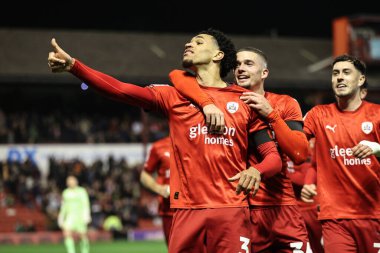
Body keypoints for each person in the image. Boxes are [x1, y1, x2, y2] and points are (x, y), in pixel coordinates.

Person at [48, 28, 282, 253]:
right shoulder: (172, 96)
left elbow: (273, 157)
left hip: (231, 211)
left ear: (218, 55)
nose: (189, 44)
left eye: (199, 42)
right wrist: (74, 66)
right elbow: (119, 89)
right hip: (186, 212)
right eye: (190, 41)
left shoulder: (244, 101)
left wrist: (257, 171)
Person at [169, 47, 310, 252]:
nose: (241, 69)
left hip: (282, 207)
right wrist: (206, 102)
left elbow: (299, 154)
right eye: (237, 65)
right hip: (241, 208)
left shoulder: (284, 103)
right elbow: (177, 75)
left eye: (248, 64)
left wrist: (271, 114)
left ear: (265, 73)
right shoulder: (222, 101)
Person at [300, 54, 380, 253]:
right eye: (335, 73)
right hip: (334, 217)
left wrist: (377, 149)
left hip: (374, 214)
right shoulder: (318, 114)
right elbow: (294, 143)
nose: (340, 78)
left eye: (346, 72)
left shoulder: (377, 114)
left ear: (361, 79)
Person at [287, 138, 324, 253]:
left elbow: (316, 167)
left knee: (319, 248)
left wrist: (308, 183)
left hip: (314, 205)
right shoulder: (282, 139)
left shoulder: (318, 139)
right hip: (290, 208)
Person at [140, 136, 173, 246]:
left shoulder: (198, 141)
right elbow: (145, 175)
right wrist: (159, 188)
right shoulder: (159, 147)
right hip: (169, 210)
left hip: (196, 208)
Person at [58, 175, 91, 253]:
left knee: (82, 236)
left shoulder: (81, 191)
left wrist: (87, 215)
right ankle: (71, 251)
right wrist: (61, 217)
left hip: (80, 216)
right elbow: (63, 206)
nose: (71, 182)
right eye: (69, 181)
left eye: (72, 180)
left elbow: (86, 204)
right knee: (66, 233)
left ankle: (85, 251)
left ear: (76, 182)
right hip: (70, 217)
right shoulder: (65, 192)